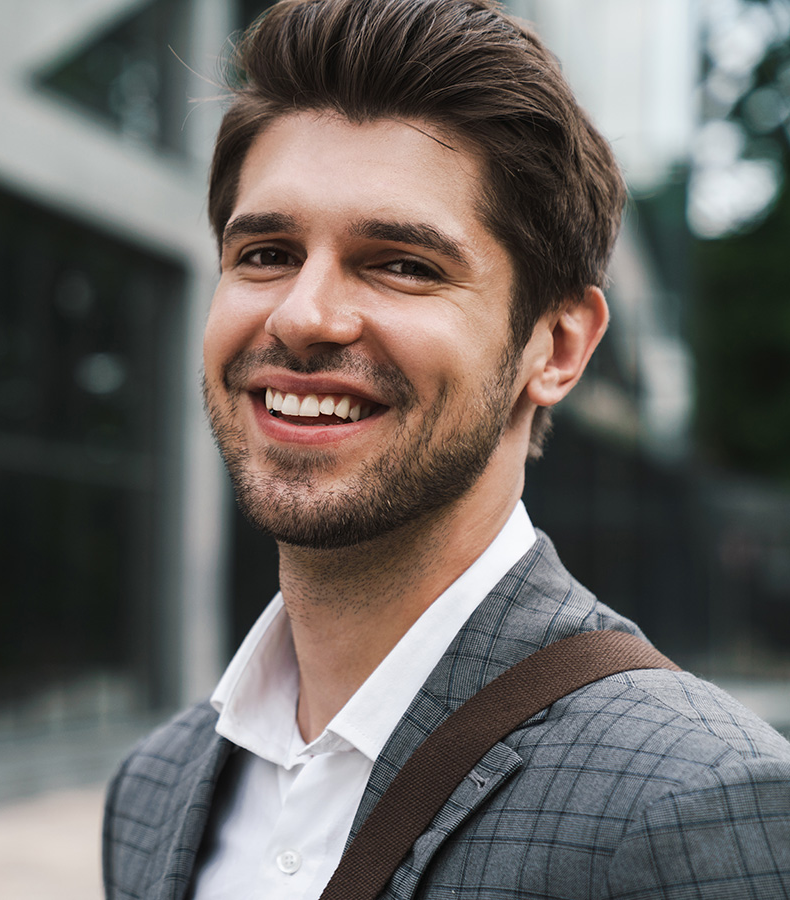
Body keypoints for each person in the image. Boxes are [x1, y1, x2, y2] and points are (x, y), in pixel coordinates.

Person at [103, 0, 790, 897]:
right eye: (267, 252)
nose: (303, 315)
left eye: (402, 263)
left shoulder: (697, 800)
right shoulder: (152, 790)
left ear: (558, 346)